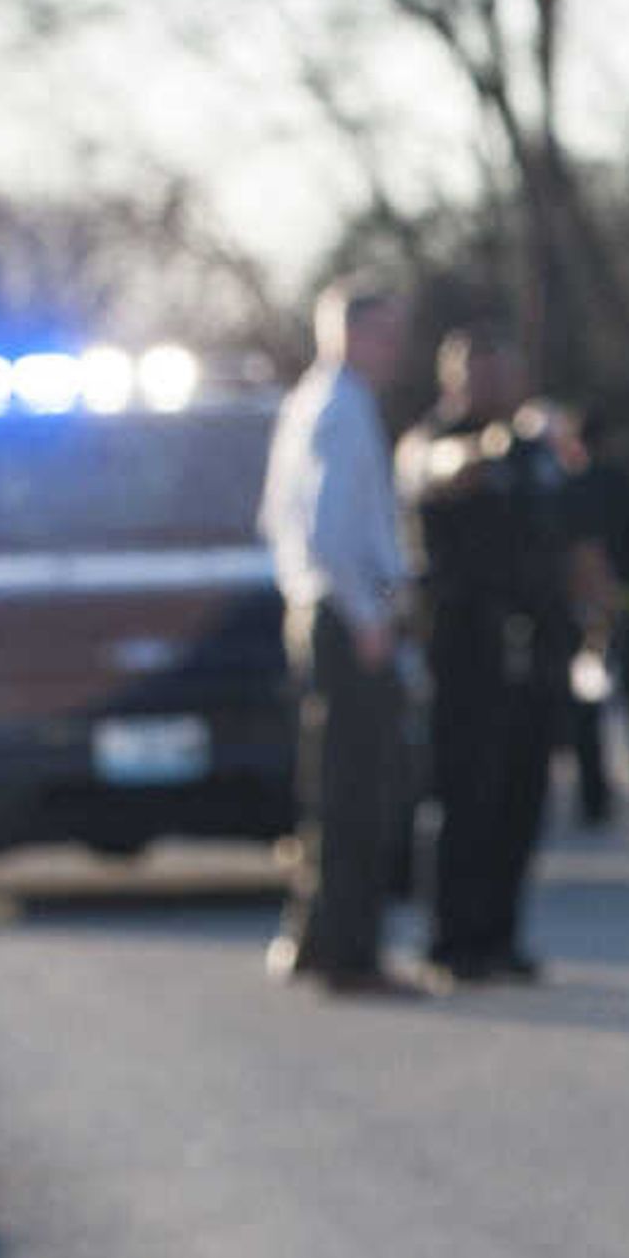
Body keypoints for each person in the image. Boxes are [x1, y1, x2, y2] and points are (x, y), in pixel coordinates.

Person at [257, 275, 423, 996]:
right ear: (350, 334)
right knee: (359, 793)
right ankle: (350, 953)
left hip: (322, 609)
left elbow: (275, 519)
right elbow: (329, 532)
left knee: (332, 786)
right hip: (347, 616)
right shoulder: (344, 409)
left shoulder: (309, 402)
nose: (395, 350)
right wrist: (367, 618)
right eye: (385, 333)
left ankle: (320, 935)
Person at [399, 324, 580, 984]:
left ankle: (501, 936)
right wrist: (482, 450)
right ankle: (452, 940)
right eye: (481, 375)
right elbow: (436, 470)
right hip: (466, 649)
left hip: (533, 648)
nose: (495, 387)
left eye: (505, 373)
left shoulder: (535, 449)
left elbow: (566, 530)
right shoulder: (433, 441)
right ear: (454, 380)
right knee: (464, 797)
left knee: (520, 797)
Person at [546, 397, 629, 828]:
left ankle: (594, 801)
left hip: (586, 613)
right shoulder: (626, 481)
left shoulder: (567, 488)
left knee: (587, 707)